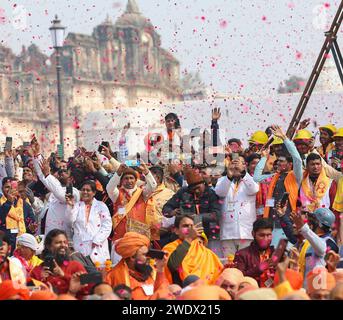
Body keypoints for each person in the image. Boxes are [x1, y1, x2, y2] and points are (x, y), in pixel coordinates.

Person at [254, 125, 303, 246]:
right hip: (272, 225)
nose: (278, 163)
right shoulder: (275, 176)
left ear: (290, 164)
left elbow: (298, 159)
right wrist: (263, 158)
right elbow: (256, 177)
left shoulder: (295, 175)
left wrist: (285, 138)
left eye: (281, 161)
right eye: (278, 161)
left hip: (289, 223)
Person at [162, 167, 221, 250]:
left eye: (198, 188)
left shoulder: (211, 194)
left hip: (207, 236)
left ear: (203, 184)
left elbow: (216, 215)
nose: (196, 191)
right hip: (184, 236)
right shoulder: (183, 192)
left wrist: (195, 217)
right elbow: (165, 208)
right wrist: (172, 212)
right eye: (193, 189)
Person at [215, 153, 259, 258]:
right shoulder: (222, 180)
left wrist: (242, 172)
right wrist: (229, 176)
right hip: (227, 233)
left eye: (240, 163)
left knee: (247, 263)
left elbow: (254, 189)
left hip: (246, 232)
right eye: (234, 163)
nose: (236, 166)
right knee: (229, 266)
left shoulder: (251, 179)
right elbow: (220, 192)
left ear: (245, 165)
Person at [32, 146, 80, 239]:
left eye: (65, 172)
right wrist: (37, 155)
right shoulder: (55, 189)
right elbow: (42, 176)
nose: (61, 173)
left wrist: (47, 174)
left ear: (72, 179)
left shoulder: (74, 193)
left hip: (61, 237)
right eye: (60, 172)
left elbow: (62, 195)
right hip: (47, 235)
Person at [105, 232, 169, 300]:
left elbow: (164, 292)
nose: (148, 257)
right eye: (144, 255)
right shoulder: (113, 277)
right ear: (132, 257)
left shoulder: (153, 271)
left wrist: (160, 269)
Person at [162, 215, 223, 286]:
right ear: (176, 230)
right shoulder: (169, 248)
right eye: (185, 226)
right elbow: (172, 265)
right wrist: (189, 238)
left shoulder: (203, 250)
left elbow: (217, 271)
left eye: (192, 226)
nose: (190, 229)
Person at [106, 162, 158, 242]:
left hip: (138, 238)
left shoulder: (142, 193)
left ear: (136, 180)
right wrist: (119, 172)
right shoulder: (117, 194)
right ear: (121, 181)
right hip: (120, 239)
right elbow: (109, 188)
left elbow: (153, 186)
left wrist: (146, 171)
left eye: (131, 178)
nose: (129, 181)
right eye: (126, 178)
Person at [65, 180, 112, 264]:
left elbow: (107, 225)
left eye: (88, 190)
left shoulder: (101, 205)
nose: (85, 192)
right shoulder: (76, 205)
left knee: (99, 272)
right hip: (80, 244)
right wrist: (70, 206)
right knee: (82, 272)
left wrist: (97, 240)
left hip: (97, 245)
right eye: (83, 190)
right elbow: (69, 221)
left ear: (94, 193)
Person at [30, 229, 88, 296]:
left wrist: (64, 275)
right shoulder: (37, 270)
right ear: (49, 246)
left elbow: (90, 287)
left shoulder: (75, 265)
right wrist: (41, 281)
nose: (63, 245)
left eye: (65, 242)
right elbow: (28, 291)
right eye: (58, 242)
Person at [290, 207, 338, 283]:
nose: (309, 223)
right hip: (306, 289)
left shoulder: (329, 242)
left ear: (319, 224)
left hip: (320, 290)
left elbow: (322, 249)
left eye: (312, 221)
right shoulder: (308, 241)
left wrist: (304, 229)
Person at [234, 219, 275, 288]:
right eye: (262, 235)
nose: (265, 239)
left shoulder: (275, 253)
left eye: (268, 235)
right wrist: (259, 268)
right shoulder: (242, 254)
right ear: (253, 234)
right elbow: (238, 279)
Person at [0, 177, 37, 251]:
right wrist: (8, 202)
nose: (10, 190)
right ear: (2, 188)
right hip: (4, 245)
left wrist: (30, 229)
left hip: (21, 245)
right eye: (7, 187)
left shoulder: (25, 205)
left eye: (13, 187)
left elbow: (31, 224)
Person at [149, 166, 175, 244]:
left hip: (163, 236)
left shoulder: (169, 194)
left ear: (157, 177)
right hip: (144, 235)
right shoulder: (141, 192)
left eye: (148, 176)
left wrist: (165, 228)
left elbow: (173, 215)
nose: (145, 179)